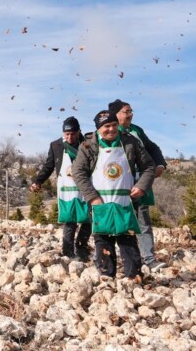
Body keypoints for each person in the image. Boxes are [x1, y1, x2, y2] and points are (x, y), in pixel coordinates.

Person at [71, 111, 155, 280]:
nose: (111, 129)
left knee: (127, 237)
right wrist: (92, 197)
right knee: (103, 239)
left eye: (114, 125)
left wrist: (141, 186)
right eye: (107, 126)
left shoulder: (130, 142)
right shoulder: (88, 146)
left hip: (125, 201)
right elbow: (78, 172)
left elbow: (149, 166)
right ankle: (107, 277)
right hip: (99, 202)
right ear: (98, 129)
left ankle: (133, 277)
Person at [109, 99, 168, 271]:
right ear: (116, 115)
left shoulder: (136, 131)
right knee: (120, 221)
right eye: (126, 112)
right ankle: (118, 260)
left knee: (143, 219)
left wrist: (159, 164)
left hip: (140, 181)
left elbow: (152, 147)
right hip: (118, 185)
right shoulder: (110, 132)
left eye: (131, 111)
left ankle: (148, 259)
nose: (130, 114)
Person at [31, 117, 91, 261]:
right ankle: (68, 252)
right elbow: (49, 166)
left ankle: (81, 248)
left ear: (79, 132)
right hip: (67, 188)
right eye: (67, 134)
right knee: (70, 220)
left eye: (73, 134)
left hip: (86, 187)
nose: (70, 137)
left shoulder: (88, 144)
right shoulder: (56, 146)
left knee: (88, 219)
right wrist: (38, 181)